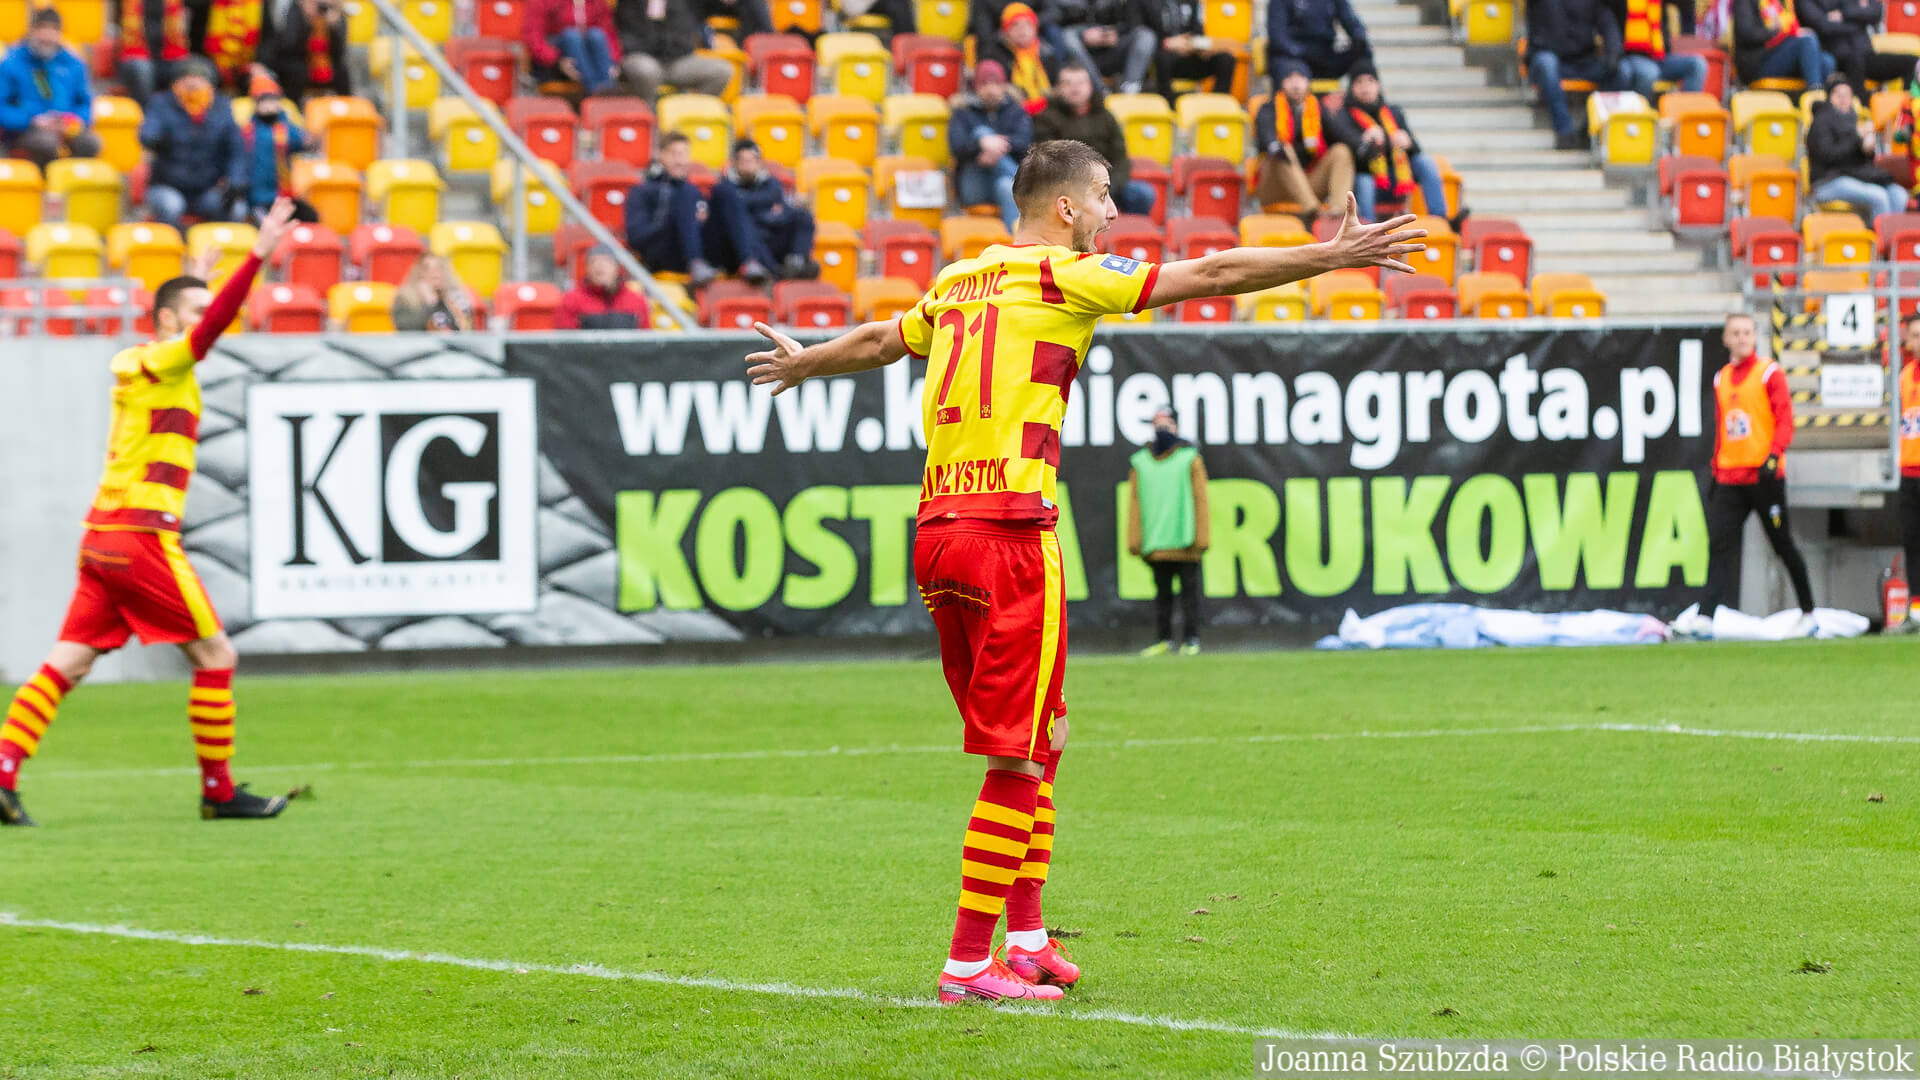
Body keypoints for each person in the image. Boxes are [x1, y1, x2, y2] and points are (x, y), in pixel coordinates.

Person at [743, 139, 1423, 1004]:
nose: (1111, 211)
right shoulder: (1066, 276)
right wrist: (1328, 255)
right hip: (1010, 533)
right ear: (1064, 208)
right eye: (1103, 196)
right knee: (1018, 757)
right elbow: (1212, 274)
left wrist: (805, 361)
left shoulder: (959, 279)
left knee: (1046, 734)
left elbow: (883, 338)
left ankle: (1026, 938)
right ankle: (968, 964)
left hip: (940, 529)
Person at [0, 200, 304, 829]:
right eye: (192, 311)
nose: (207, 321)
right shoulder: (170, 360)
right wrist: (257, 256)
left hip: (101, 538)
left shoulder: (142, 363)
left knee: (68, 662)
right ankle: (219, 793)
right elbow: (205, 330)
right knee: (216, 656)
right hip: (141, 536)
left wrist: (196, 278)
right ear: (166, 320)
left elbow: (192, 323)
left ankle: (2, 772)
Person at [1701, 313, 1816, 631]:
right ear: (1726, 339)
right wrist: (1716, 467)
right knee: (1719, 545)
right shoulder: (1721, 378)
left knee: (1782, 545)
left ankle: (1808, 613)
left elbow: (1785, 419)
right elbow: (1722, 428)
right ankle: (1705, 616)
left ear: (1755, 336)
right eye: (1736, 333)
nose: (1742, 338)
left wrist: (1774, 454)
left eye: (1747, 332)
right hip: (1730, 477)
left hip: (1763, 477)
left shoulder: (1769, 373)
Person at [625, 132, 774, 287]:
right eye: (674, 154)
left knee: (725, 191)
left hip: (701, 253)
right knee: (687, 191)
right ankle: (695, 262)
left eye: (684, 154)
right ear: (660, 156)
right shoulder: (642, 191)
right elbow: (636, 237)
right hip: (664, 253)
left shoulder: (693, 191)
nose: (680, 161)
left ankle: (748, 262)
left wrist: (695, 221)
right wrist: (674, 219)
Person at [1129, 408, 1210, 657]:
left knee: (1190, 595)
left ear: (1176, 426)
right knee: (1162, 596)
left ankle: (1191, 639)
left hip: (1186, 541)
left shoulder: (1190, 458)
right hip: (1157, 542)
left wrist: (1201, 538)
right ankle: (1164, 640)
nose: (1162, 429)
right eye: (1157, 424)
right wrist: (1135, 540)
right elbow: (1134, 503)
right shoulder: (1141, 462)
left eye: (1167, 424)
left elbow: (1201, 499)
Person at [1344, 61, 1461, 226]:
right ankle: (1366, 230)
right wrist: (1367, 141)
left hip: (1398, 177)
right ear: (1351, 87)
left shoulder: (1394, 112)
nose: (1365, 87)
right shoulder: (1346, 115)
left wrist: (1408, 142)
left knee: (1425, 162)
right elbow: (1353, 159)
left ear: (1378, 85)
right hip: (1369, 180)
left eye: (1370, 81)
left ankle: (1440, 220)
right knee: (1364, 181)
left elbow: (1416, 150)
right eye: (1359, 82)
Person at [1032, 63, 1155, 216]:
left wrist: (1109, 187)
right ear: (1058, 88)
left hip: (1108, 184)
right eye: (1067, 83)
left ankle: (1130, 231)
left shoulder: (1105, 116)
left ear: (1090, 86)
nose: (1075, 88)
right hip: (1067, 187)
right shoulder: (1046, 118)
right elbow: (1048, 161)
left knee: (1143, 194)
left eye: (1080, 83)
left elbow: (1120, 157)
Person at [140, 57, 247, 228]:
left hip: (207, 189)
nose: (192, 85)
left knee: (236, 209)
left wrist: (236, 181)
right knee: (171, 206)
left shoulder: (222, 107)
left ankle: (217, 244)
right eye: (186, 79)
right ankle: (171, 244)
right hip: (168, 185)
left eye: (199, 79)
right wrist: (152, 137)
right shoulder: (161, 103)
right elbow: (149, 130)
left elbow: (236, 149)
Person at [1254, 61, 1357, 221]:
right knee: (1281, 149)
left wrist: (1363, 142)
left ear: (1308, 82)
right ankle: (1314, 213)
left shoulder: (1317, 108)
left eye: (1300, 78)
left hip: (1308, 183)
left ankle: (1339, 212)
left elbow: (1340, 136)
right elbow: (1266, 137)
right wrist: (1274, 146)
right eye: (1290, 78)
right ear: (1281, 83)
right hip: (1276, 186)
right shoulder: (1268, 108)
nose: (1296, 84)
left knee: (1341, 151)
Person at [0, 9, 101, 170]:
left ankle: (77, 182)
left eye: (53, 29)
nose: (47, 35)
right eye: (42, 28)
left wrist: (71, 120)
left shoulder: (73, 64)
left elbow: (85, 104)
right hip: (27, 130)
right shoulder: (12, 63)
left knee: (90, 142)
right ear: (32, 31)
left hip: (65, 127)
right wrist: (32, 120)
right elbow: (3, 109)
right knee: (47, 144)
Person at [1525, 0, 1625, 149]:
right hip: (1547, 58)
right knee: (1547, 63)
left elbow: (1608, 25)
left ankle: (1588, 129)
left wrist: (1613, 54)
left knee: (1620, 71)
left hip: (1582, 61)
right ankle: (1565, 131)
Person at [1807, 75, 1908, 221]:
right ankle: (1881, 234)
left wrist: (1867, 150)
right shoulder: (1821, 121)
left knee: (1899, 194)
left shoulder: (1853, 119)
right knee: (1878, 196)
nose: (1843, 99)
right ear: (1829, 97)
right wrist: (1857, 137)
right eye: (1838, 95)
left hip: (1854, 176)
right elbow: (1828, 155)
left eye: (1847, 95)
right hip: (1827, 181)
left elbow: (1859, 160)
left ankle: (1892, 233)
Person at [950, 62, 1034, 229]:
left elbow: (1025, 143)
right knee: (981, 133)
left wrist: (997, 146)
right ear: (976, 87)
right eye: (985, 84)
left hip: (1005, 181)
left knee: (1006, 186)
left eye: (995, 83)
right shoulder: (963, 112)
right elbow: (957, 147)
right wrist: (981, 144)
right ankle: (1027, 188)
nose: (990, 90)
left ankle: (1014, 240)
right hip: (974, 184)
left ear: (1003, 86)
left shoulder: (1016, 111)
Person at [728, 140, 820, 280]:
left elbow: (784, 210)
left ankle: (798, 261)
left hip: (774, 232)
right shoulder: (726, 187)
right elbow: (738, 209)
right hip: (749, 243)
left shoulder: (771, 183)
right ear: (735, 162)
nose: (748, 165)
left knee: (803, 216)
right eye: (744, 161)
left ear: (759, 162)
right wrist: (767, 207)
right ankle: (777, 273)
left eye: (752, 160)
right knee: (749, 229)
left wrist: (752, 203)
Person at [617, 0, 733, 106]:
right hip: (642, 56)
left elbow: (717, 7)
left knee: (721, 71)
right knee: (646, 71)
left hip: (678, 60)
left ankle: (689, 115)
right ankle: (650, 116)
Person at [240, 73, 320, 224]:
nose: (269, 106)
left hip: (283, 196)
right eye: (264, 101)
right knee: (267, 225)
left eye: (273, 100)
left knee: (310, 216)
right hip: (257, 198)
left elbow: (305, 142)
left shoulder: (286, 127)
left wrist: (312, 139)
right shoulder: (248, 132)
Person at [1796, 0, 1916, 96]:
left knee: (1913, 63)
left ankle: (1907, 110)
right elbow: (1824, 26)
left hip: (1867, 55)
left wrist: (1844, 14)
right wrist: (1860, 23)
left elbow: (1876, 11)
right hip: (1838, 59)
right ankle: (1861, 110)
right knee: (1855, 61)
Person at [1047, 0, 1156, 95]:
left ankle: (1130, 88)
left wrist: (1115, 32)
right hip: (1077, 55)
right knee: (1068, 36)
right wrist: (1083, 35)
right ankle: (1100, 90)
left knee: (1146, 35)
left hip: (1110, 48)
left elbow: (1129, 21)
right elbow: (1054, 21)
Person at [1142, 0, 1239, 104]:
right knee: (1163, 58)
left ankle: (1217, 104)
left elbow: (1198, 32)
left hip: (1191, 53)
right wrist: (1166, 43)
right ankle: (1167, 104)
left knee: (1226, 59)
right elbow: (1141, 36)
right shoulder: (1149, 3)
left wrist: (1196, 46)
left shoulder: (1193, 2)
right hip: (1163, 55)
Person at [259, 0, 352, 104]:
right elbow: (289, 45)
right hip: (299, 61)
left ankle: (347, 106)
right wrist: (307, 20)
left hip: (326, 64)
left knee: (343, 72)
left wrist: (334, 27)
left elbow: (339, 53)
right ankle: (293, 105)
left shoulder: (336, 14)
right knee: (298, 72)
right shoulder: (296, 10)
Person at [1731, 0, 1834, 92]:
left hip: (1781, 55)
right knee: (1806, 41)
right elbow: (1746, 33)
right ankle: (1815, 94)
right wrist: (1776, 31)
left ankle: (1815, 97)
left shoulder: (1784, 2)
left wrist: (1793, 32)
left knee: (1827, 61)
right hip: (1758, 63)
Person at [1614, 0, 1708, 100]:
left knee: (1697, 64)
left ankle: (1686, 109)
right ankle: (1642, 109)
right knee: (1649, 72)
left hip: (1660, 57)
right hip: (1632, 56)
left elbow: (1685, 3)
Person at [525, 0, 623, 95]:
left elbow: (609, 33)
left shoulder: (597, 2)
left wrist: (614, 61)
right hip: (556, 60)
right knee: (572, 36)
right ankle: (595, 89)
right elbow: (533, 38)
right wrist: (557, 60)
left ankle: (607, 86)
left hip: (590, 54)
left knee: (596, 35)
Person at [979, 3, 1059, 111]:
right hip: (1009, 109)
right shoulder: (993, 55)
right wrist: (1005, 88)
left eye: (1028, 24)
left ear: (1035, 28)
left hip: (1045, 110)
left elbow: (1055, 86)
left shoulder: (1047, 53)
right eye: (1015, 25)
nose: (1022, 30)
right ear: (1005, 31)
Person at [1267, 0, 1372, 82]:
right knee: (1293, 70)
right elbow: (1278, 37)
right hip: (1295, 56)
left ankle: (1366, 99)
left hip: (1325, 54)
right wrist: (1301, 52)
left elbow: (1352, 22)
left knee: (1363, 51)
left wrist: (1359, 38)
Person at [557, 245, 655, 329]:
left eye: (606, 261)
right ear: (586, 268)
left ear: (617, 267)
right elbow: (565, 338)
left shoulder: (636, 300)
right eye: (593, 261)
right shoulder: (571, 300)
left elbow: (646, 337)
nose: (599, 266)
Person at [118, 0, 194, 105]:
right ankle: (146, 111)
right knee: (143, 69)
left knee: (194, 68)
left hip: (169, 56)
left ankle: (176, 113)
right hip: (135, 58)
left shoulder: (173, 3)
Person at [1898, 314, 1920, 626]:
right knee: (1913, 542)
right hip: (1909, 472)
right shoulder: (1905, 376)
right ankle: (1916, 610)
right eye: (1915, 335)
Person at [391, 254, 477, 332]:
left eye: (439, 267)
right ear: (419, 273)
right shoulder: (405, 298)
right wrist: (428, 304)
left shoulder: (455, 297)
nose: (434, 272)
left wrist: (455, 311)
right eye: (427, 268)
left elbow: (467, 330)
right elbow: (407, 330)